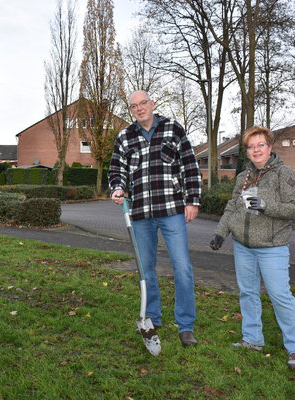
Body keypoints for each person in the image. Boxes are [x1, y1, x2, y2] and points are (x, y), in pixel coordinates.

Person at [209, 126, 295, 371]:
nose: (256, 150)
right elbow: (233, 207)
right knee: (248, 293)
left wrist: (264, 205)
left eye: (260, 145)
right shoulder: (243, 177)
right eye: (251, 147)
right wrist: (221, 233)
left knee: (280, 297)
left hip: (272, 248)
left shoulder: (284, 174)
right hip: (243, 247)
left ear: (269, 147)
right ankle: (252, 340)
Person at [108, 90, 202, 347]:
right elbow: (117, 169)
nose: (139, 108)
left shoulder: (173, 128)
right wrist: (117, 187)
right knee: (145, 269)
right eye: (134, 106)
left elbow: (190, 166)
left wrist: (193, 200)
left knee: (182, 268)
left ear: (153, 104)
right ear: (131, 110)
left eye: (143, 103)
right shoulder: (125, 137)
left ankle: (185, 325)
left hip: (171, 210)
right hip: (140, 213)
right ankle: (153, 318)